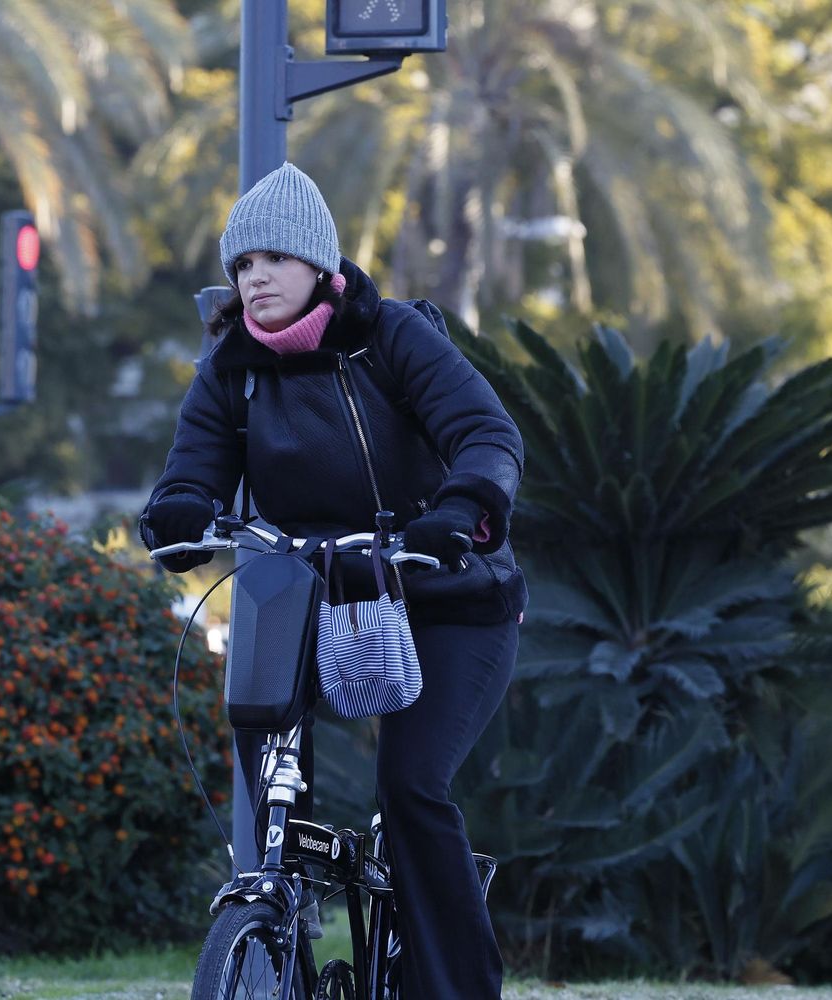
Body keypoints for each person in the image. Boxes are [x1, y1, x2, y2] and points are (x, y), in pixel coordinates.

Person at [140, 161, 526, 998]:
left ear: (321, 265)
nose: (255, 278)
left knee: (411, 786)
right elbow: (192, 470)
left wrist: (459, 514)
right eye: (241, 265)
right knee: (269, 761)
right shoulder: (230, 368)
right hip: (309, 592)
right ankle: (279, 923)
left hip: (444, 593)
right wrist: (177, 513)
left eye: (273, 258)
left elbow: (486, 434)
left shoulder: (394, 337)